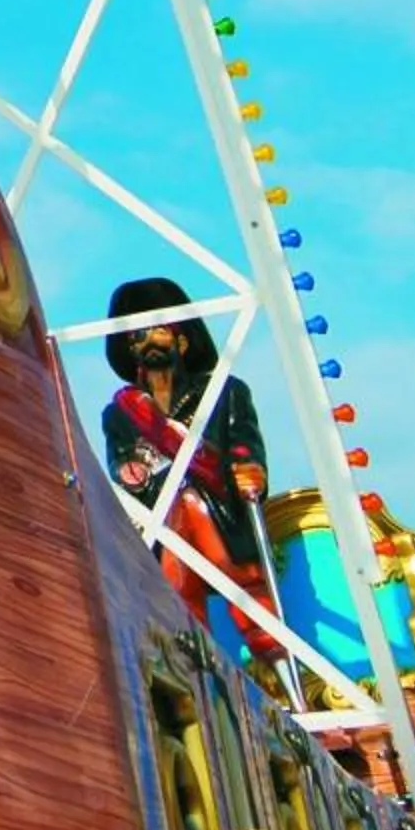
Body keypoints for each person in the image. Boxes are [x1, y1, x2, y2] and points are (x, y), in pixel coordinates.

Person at [102, 276, 282, 660]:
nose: (148, 341)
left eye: (158, 331)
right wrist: (127, 472)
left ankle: (275, 657)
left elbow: (242, 441)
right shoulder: (120, 412)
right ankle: (193, 656)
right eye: (137, 336)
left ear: (181, 340)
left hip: (220, 508)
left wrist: (250, 468)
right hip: (162, 518)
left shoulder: (224, 391)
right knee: (175, 553)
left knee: (205, 528)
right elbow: (120, 463)